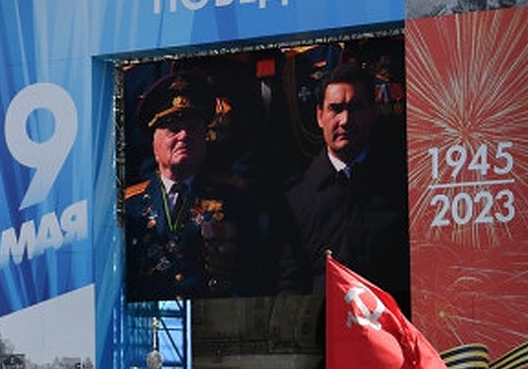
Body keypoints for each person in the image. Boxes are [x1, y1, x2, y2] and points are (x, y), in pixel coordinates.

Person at [124, 71, 260, 300]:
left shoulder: (236, 200)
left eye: (193, 128)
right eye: (174, 129)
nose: (184, 136)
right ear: (154, 141)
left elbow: (253, 273)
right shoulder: (129, 206)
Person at [277, 63, 408, 297]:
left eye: (355, 108)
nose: (345, 120)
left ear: (372, 113)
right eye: (335, 109)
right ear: (319, 116)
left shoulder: (400, 188)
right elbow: (290, 283)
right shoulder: (296, 198)